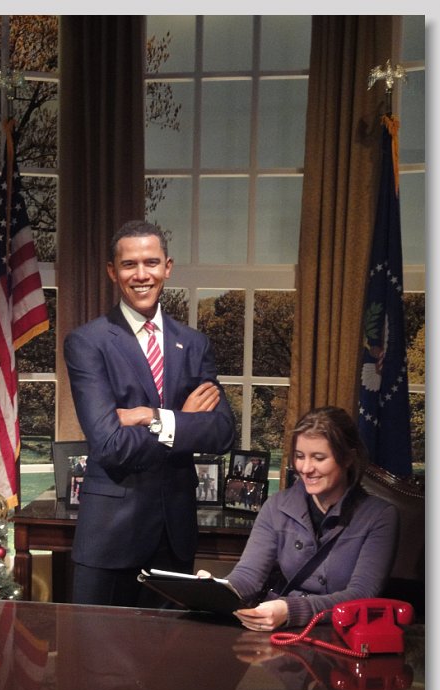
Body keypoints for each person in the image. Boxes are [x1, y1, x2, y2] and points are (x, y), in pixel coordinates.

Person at [63, 220, 236, 607]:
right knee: (94, 647)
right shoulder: (87, 343)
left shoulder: (194, 344)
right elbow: (110, 445)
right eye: (129, 264)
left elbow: (222, 431)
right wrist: (184, 418)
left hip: (174, 538)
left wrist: (151, 416)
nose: (141, 275)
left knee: (169, 648)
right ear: (113, 271)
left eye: (151, 263)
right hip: (110, 539)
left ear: (167, 267)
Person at [199, 406, 399, 630]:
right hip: (279, 631)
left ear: (348, 458)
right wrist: (218, 590)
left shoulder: (379, 516)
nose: (305, 468)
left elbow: (362, 594)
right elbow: (248, 576)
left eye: (319, 458)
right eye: (300, 456)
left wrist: (291, 609)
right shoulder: (276, 506)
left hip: (340, 633)